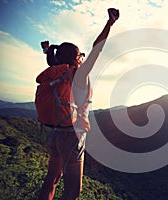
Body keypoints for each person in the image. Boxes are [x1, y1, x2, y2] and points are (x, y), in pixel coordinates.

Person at [37, 8, 119, 200]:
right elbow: (97, 49)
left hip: (54, 132)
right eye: (81, 56)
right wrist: (109, 23)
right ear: (76, 58)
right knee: (73, 190)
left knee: (52, 178)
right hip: (71, 136)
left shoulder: (58, 73)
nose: (83, 58)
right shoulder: (78, 75)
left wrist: (48, 51)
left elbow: (52, 61)